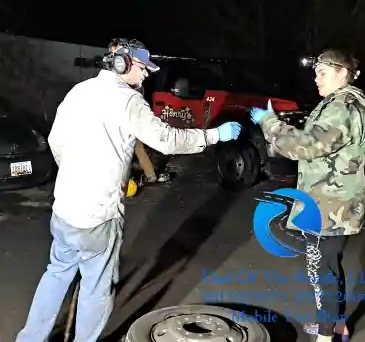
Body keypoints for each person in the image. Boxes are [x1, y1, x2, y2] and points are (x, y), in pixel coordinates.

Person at [16, 39, 242, 342]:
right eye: (142, 67)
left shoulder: (78, 92)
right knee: (96, 289)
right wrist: (214, 135)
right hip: (98, 215)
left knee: (56, 275)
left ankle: (30, 338)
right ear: (122, 63)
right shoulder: (127, 100)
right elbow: (166, 140)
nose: (147, 74)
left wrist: (76, 176)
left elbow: (57, 142)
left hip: (65, 210)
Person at [250, 49, 365, 342]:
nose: (315, 78)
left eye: (323, 72)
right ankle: (336, 327)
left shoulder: (341, 107)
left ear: (342, 74)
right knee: (330, 267)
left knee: (321, 272)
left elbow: (305, 146)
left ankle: (324, 336)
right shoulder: (345, 104)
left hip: (330, 206)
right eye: (315, 72)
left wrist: (270, 122)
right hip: (337, 202)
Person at [107, 38, 170, 184]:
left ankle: (149, 175)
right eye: (142, 69)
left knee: (136, 148)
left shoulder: (134, 89)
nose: (145, 74)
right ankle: (147, 176)